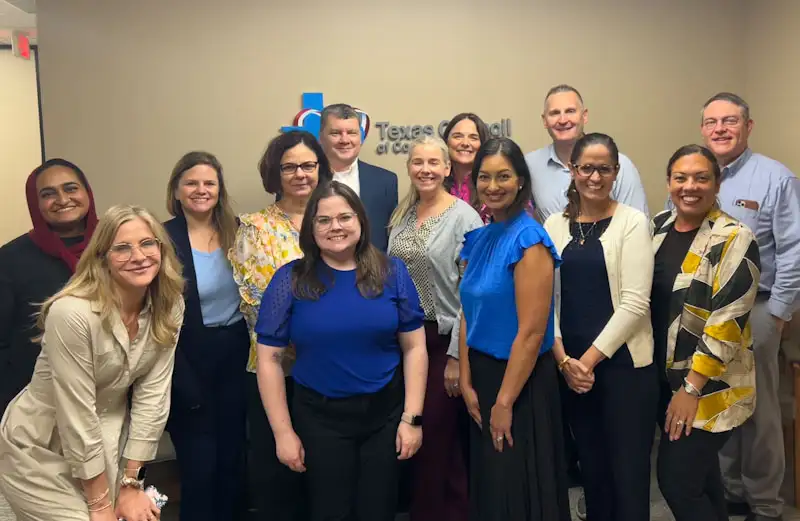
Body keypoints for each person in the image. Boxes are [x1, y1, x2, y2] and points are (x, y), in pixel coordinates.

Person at [254, 181, 428, 521]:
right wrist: (283, 433)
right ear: (311, 228)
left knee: (378, 510)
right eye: (323, 220)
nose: (335, 226)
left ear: (360, 221)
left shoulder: (393, 272)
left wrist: (413, 419)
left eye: (345, 217)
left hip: (385, 416)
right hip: (319, 418)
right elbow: (268, 359)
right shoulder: (289, 280)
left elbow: (415, 346)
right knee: (330, 511)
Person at [0, 204, 185, 521]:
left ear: (162, 248)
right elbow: (76, 412)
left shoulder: (169, 306)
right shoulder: (73, 313)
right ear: (103, 258)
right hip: (40, 446)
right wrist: (100, 506)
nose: (138, 256)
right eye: (122, 248)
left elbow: (153, 395)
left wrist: (130, 483)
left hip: (106, 440)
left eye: (147, 243)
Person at [693, 92, 800, 521]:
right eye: (711, 121)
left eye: (729, 121)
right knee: (720, 401)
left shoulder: (775, 177)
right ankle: (732, 489)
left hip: (758, 309)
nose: (720, 129)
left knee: (759, 411)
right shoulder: (695, 174)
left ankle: (766, 504)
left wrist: (779, 312)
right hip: (708, 311)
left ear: (747, 127)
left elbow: (793, 248)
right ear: (702, 128)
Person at [544, 133, 657, 521]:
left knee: (626, 477)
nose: (595, 176)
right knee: (592, 474)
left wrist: (586, 363)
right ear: (573, 171)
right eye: (586, 168)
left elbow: (635, 303)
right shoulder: (554, 224)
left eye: (603, 169)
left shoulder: (632, 222)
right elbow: (546, 302)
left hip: (623, 370)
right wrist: (564, 362)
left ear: (616, 172)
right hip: (571, 371)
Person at [458, 137, 570, 521]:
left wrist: (503, 403)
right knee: (491, 487)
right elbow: (466, 312)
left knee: (517, 489)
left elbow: (532, 333)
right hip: (484, 376)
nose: (493, 186)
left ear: (521, 180)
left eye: (503, 176)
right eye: (484, 177)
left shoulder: (530, 241)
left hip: (519, 384)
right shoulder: (480, 237)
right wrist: (468, 381)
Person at [653, 144, 761, 521]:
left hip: (709, 389)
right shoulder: (658, 228)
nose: (690, 186)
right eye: (681, 177)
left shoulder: (735, 237)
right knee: (703, 481)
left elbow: (726, 323)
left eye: (702, 178)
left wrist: (691, 388)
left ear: (716, 184)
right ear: (668, 182)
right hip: (666, 379)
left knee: (677, 481)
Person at [229, 130, 331, 521]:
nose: (300, 174)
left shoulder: (335, 217)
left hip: (328, 372)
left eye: (308, 165)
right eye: (290, 167)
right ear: (276, 174)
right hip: (277, 369)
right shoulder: (255, 228)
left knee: (325, 474)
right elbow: (255, 301)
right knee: (281, 476)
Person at [388, 135, 483, 521]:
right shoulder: (402, 214)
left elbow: (471, 294)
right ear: (409, 168)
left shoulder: (464, 217)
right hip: (404, 342)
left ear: (447, 168)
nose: (424, 169)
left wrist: (456, 358)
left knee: (437, 439)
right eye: (417, 162)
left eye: (433, 163)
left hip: (444, 340)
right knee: (413, 437)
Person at [163, 151, 250, 521]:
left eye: (209, 183)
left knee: (233, 460)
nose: (201, 190)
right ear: (177, 190)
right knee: (200, 466)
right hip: (185, 359)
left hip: (235, 354)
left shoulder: (240, 229)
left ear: (219, 189)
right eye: (192, 183)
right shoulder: (161, 237)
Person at [0, 159, 98, 413]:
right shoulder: (10, 260)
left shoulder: (117, 246)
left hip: (110, 396)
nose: (62, 199)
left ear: (87, 192)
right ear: (35, 203)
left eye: (71, 188)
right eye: (48, 194)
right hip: (37, 404)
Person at [526, 84, 649, 223]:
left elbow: (638, 223)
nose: (562, 120)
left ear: (584, 116)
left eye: (570, 111)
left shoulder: (619, 164)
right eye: (554, 113)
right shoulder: (530, 165)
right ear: (544, 121)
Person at [318, 103, 398, 250]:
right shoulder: (304, 181)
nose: (345, 140)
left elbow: (391, 237)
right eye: (335, 133)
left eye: (352, 132)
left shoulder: (386, 181)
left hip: (373, 270)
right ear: (321, 137)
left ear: (360, 137)